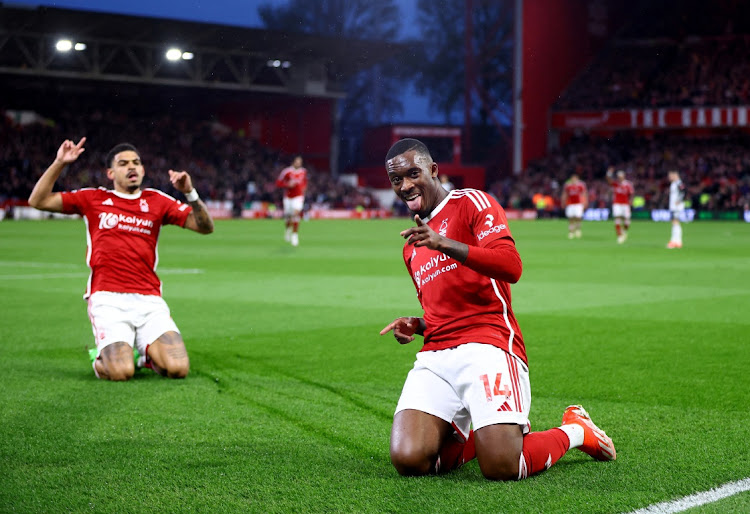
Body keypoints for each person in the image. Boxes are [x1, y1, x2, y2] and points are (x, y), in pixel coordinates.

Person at [379, 138, 615, 481]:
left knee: (502, 466)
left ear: (433, 170)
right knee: (410, 460)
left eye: (413, 173)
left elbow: (511, 266)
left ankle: (577, 430)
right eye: (397, 180)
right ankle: (487, 432)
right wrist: (417, 324)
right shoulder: (412, 248)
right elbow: (444, 314)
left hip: (488, 344)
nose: (406, 185)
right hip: (437, 356)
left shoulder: (472, 203)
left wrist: (443, 242)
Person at [28, 138, 214, 381]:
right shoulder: (92, 199)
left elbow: (205, 227)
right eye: (123, 163)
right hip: (108, 298)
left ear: (143, 169)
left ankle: (144, 355)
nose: (132, 167)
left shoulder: (156, 201)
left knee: (178, 368)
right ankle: (101, 357)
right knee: (121, 372)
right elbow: (37, 201)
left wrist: (189, 192)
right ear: (110, 172)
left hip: (149, 299)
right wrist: (60, 163)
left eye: (136, 163)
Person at [275, 155, 308, 247]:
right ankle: (288, 230)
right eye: (297, 161)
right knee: (288, 217)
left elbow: (305, 181)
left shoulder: (303, 171)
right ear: (293, 162)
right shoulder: (287, 172)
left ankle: (295, 235)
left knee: (296, 214)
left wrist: (304, 188)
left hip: (298, 197)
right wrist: (287, 184)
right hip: (288, 197)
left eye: (300, 162)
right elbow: (278, 183)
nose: (299, 163)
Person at [606, 167, 635, 244]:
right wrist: (609, 173)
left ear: (623, 176)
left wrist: (631, 201)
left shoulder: (628, 184)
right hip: (617, 203)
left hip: (625, 204)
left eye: (621, 176)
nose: (619, 178)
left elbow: (631, 194)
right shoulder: (616, 184)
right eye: (618, 176)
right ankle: (619, 236)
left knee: (627, 222)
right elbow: (609, 180)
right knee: (617, 218)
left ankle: (624, 231)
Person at [561, 173, 588, 239]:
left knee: (578, 217)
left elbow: (584, 194)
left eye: (575, 178)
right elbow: (565, 194)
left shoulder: (581, 185)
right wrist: (563, 202)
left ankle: (578, 230)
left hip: (578, 204)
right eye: (573, 179)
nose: (574, 180)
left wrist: (585, 202)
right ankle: (571, 232)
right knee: (571, 218)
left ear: (577, 179)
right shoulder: (568, 186)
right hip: (570, 204)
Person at [667, 170, 686, 249]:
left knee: (675, 222)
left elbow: (683, 192)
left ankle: (676, 241)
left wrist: (679, 200)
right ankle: (676, 241)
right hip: (673, 206)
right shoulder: (674, 183)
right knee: (674, 222)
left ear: (675, 175)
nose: (669, 177)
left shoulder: (679, 183)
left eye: (670, 176)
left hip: (677, 207)